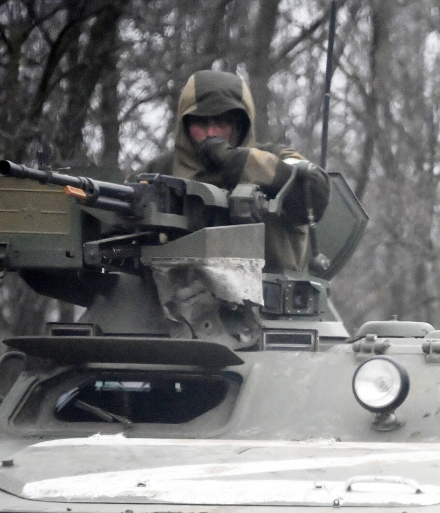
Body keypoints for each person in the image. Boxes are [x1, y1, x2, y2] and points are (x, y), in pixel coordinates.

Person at [137, 69, 330, 348]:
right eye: (201, 124)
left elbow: (314, 189)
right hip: (172, 320)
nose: (212, 133)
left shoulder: (274, 157)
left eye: (223, 122)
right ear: (184, 123)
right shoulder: (158, 172)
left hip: (267, 321)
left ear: (241, 123)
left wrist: (240, 163)